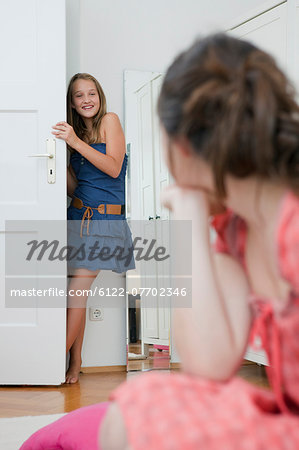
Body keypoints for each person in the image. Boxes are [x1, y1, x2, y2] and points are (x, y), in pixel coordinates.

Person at [98, 34, 299, 449]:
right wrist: (189, 216)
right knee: (139, 404)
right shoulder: (236, 229)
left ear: (182, 146)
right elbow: (207, 366)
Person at [52, 73, 135, 384]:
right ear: (72, 102)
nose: (86, 99)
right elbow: (77, 189)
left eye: (92, 94)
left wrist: (73, 142)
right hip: (78, 219)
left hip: (105, 222)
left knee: (76, 293)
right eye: (78, 95)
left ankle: (46, 363)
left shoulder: (109, 121)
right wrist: (62, 158)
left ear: (100, 98)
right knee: (77, 295)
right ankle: (75, 363)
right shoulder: (76, 140)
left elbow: (113, 167)